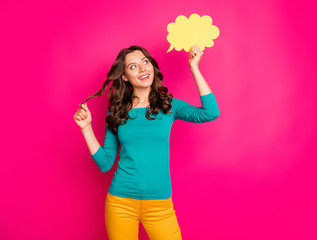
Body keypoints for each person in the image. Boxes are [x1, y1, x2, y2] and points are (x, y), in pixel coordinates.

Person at [73, 44, 220, 240]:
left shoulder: (169, 106)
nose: (143, 69)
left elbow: (210, 113)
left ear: (152, 66)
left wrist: (194, 67)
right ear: (124, 76)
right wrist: (86, 128)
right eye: (133, 66)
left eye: (145, 62)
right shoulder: (117, 112)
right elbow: (105, 163)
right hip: (120, 204)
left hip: (159, 205)